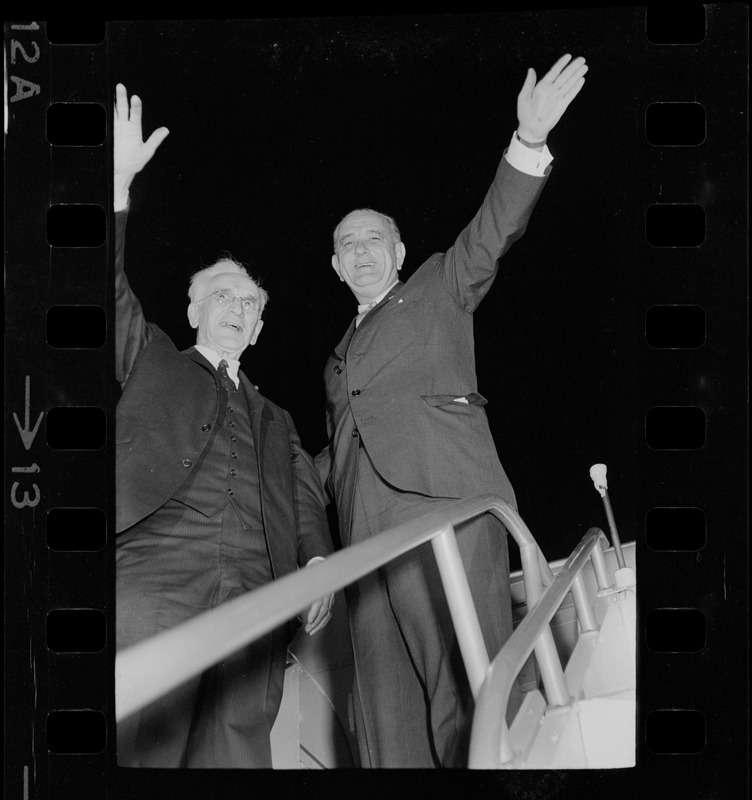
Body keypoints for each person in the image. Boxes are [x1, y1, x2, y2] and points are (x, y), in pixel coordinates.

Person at [316, 54, 588, 767]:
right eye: (348, 245)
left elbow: (492, 230)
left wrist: (527, 142)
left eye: (375, 238)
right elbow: (336, 453)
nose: (363, 251)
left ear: (400, 252)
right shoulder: (335, 357)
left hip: (444, 505)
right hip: (364, 544)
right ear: (336, 268)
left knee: (469, 692)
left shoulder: (439, 284)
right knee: (385, 713)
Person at [113, 83, 334, 769]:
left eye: (249, 301)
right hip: (156, 572)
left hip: (257, 588)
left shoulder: (276, 418)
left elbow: (303, 500)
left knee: (237, 755)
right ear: (192, 310)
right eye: (221, 295)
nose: (236, 307)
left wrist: (319, 562)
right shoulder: (149, 356)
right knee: (141, 742)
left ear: (261, 326)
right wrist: (116, 184)